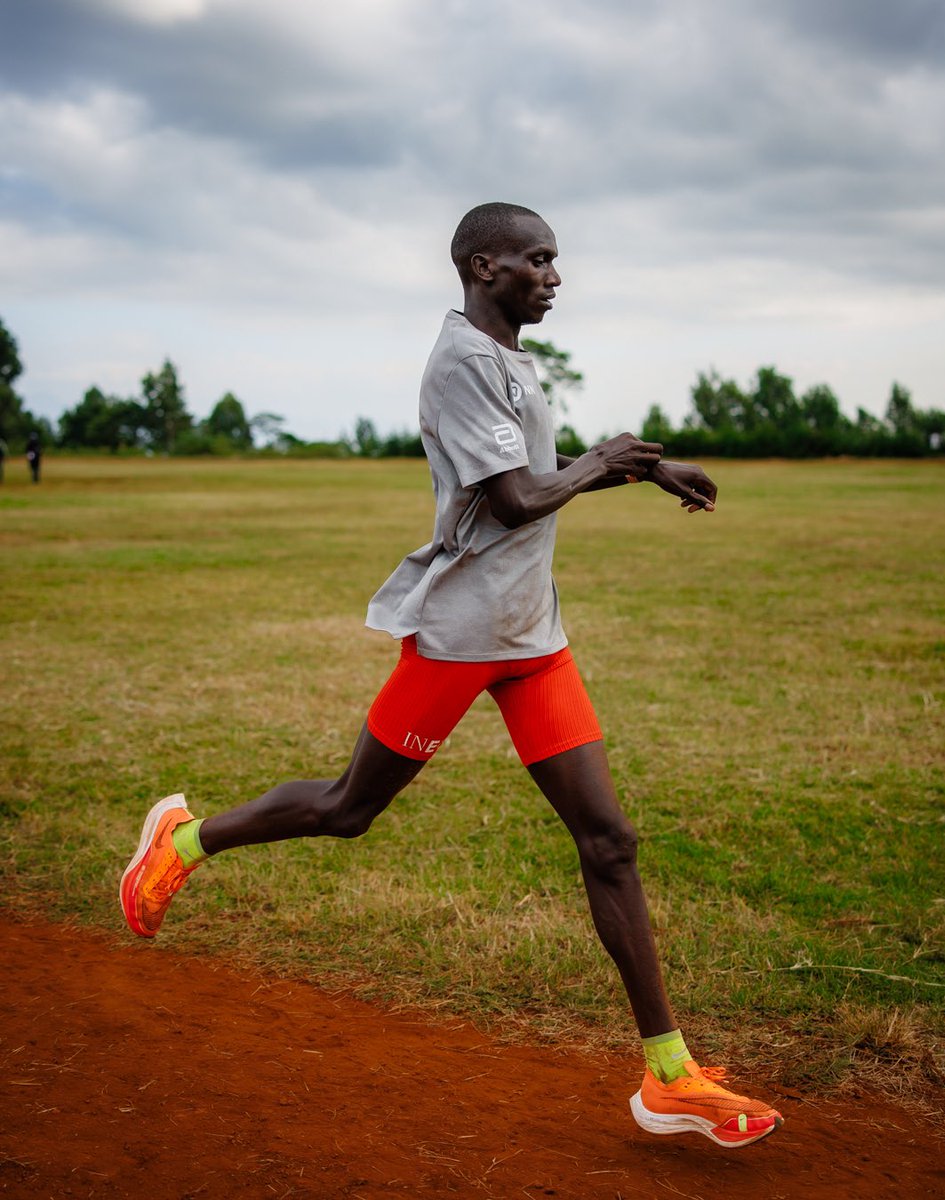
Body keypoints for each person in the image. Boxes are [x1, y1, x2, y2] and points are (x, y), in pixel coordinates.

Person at [121, 202, 782, 1148]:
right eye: (538, 260)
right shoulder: (463, 362)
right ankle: (183, 842)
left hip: (530, 639)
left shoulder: (508, 356)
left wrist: (644, 469)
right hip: (460, 635)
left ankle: (668, 1075)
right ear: (485, 264)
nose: (554, 276)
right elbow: (513, 500)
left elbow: (540, 470)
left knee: (609, 841)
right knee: (349, 808)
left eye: (556, 261)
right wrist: (605, 462)